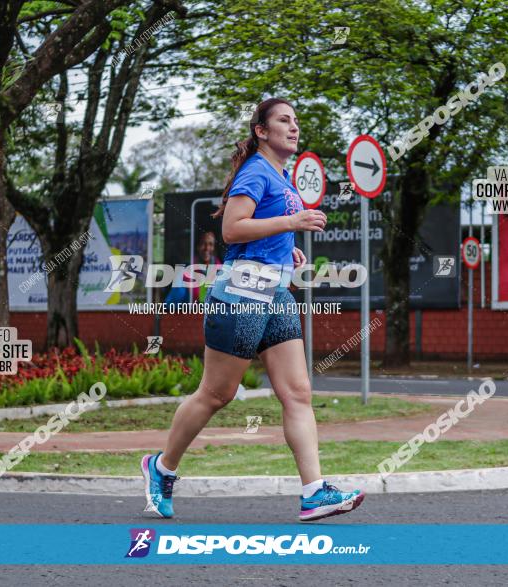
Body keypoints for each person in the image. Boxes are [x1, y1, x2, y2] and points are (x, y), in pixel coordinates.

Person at [141, 98, 364, 522]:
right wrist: (291, 225)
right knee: (216, 394)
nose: (294, 127)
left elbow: (261, 233)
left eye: (296, 121)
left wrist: (289, 251)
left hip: (276, 292)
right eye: (284, 120)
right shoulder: (256, 172)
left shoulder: (281, 177)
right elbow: (231, 229)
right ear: (262, 131)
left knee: (297, 392)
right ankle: (162, 466)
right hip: (240, 294)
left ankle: (314, 492)